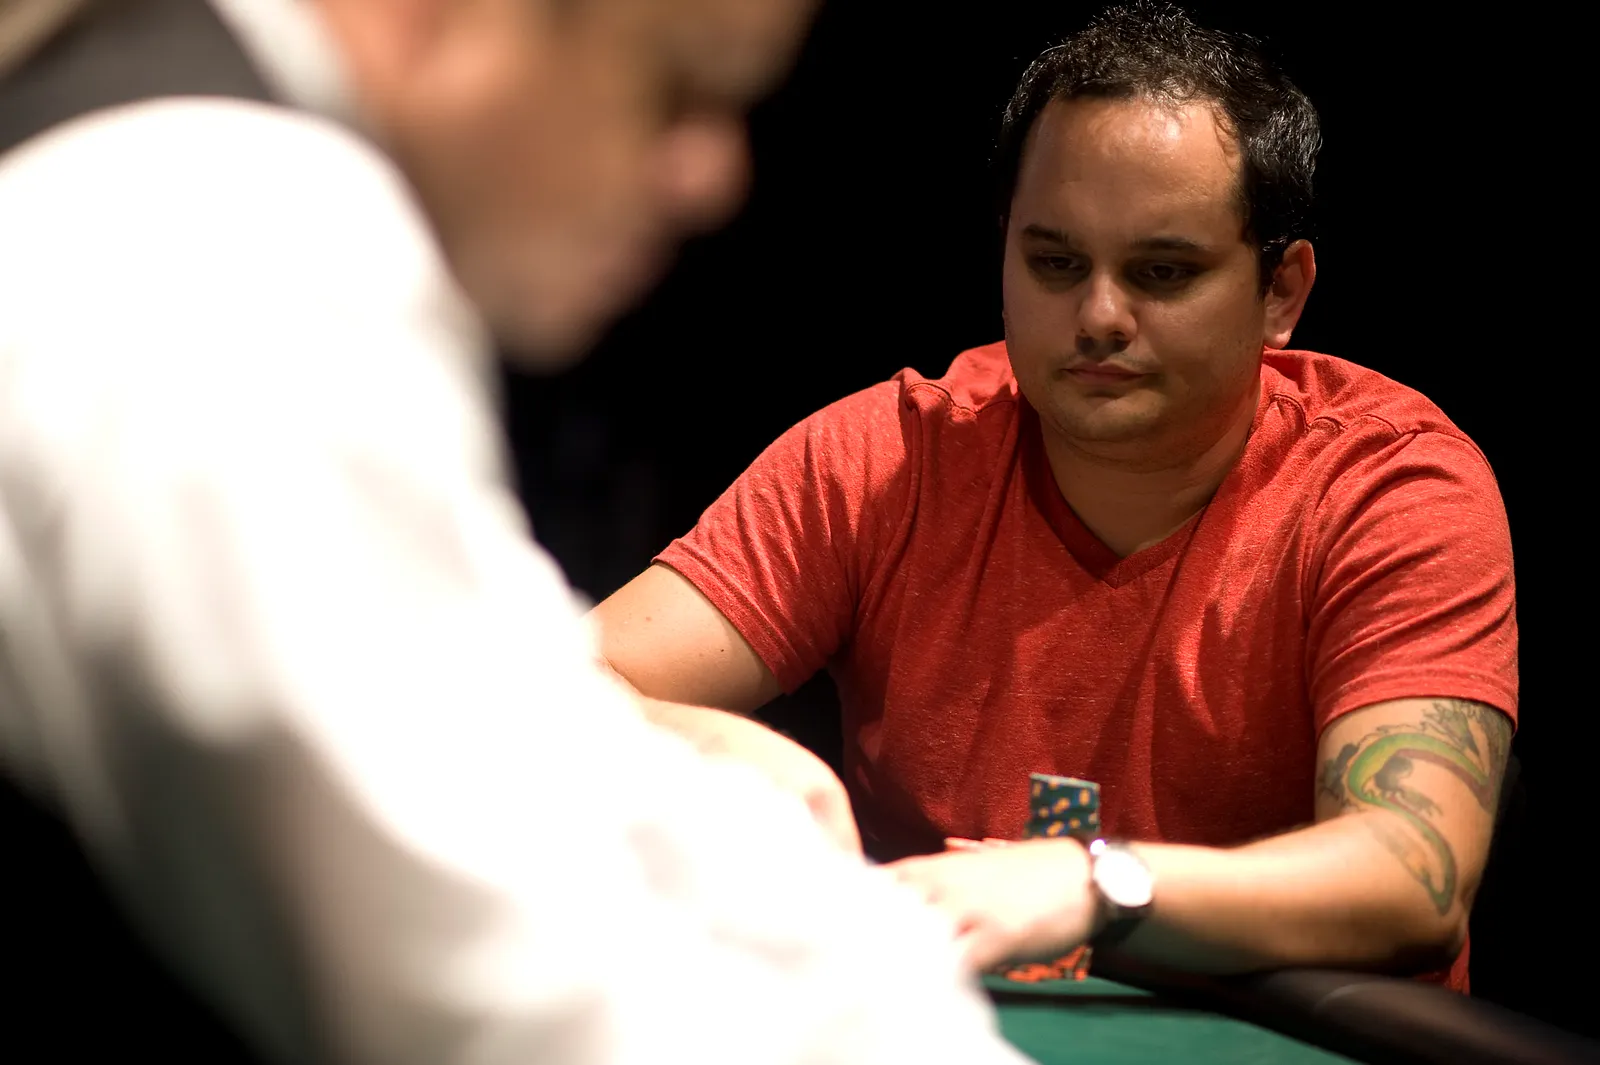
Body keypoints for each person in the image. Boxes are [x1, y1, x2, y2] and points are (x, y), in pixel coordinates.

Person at [0, 1, 1034, 1063]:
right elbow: (498, 986)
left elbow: (505, 729)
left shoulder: (214, 186)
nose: (712, 176)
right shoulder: (223, 251)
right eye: (676, 86)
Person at [592, 1, 1517, 994]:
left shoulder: (1391, 487)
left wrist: (1090, 885)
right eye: (1056, 263)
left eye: (1162, 272)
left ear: (1281, 292)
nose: (1100, 315)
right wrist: (718, 749)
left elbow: (1413, 875)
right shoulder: (886, 458)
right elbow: (529, 691)